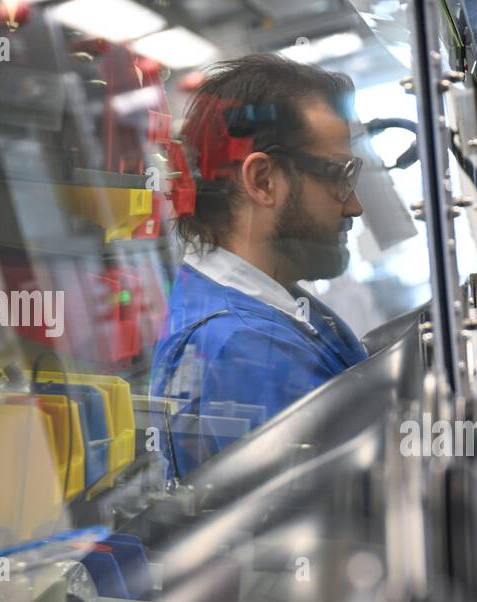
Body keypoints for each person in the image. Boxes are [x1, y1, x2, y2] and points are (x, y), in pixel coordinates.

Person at [152, 54, 368, 477]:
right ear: (263, 181)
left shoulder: (268, 306)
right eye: (338, 175)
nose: (354, 206)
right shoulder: (244, 350)